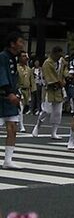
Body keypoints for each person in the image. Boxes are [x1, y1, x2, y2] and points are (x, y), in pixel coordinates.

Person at [0, 31, 26, 169]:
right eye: (20, 42)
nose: (22, 44)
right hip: (3, 97)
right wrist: (9, 92)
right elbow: (2, 75)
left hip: (10, 96)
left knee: (13, 128)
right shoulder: (3, 57)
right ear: (12, 43)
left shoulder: (13, 58)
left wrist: (15, 92)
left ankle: (8, 160)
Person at [32, 47, 67, 139]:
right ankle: (37, 126)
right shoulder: (47, 63)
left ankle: (54, 132)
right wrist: (59, 82)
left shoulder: (61, 61)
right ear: (53, 54)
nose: (59, 57)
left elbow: (65, 71)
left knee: (58, 112)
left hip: (59, 90)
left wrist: (65, 78)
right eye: (58, 55)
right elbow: (49, 78)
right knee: (46, 110)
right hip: (49, 89)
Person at [16, 52, 33, 128]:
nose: (25, 58)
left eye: (26, 56)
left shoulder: (29, 69)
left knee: (21, 108)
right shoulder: (16, 68)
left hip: (26, 90)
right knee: (20, 108)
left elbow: (31, 80)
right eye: (23, 56)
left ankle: (17, 122)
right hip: (18, 90)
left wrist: (33, 90)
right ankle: (21, 125)